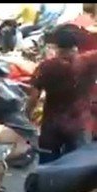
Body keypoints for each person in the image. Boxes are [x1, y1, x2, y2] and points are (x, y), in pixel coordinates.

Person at [26, 26, 97, 163]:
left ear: (57, 45)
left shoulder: (46, 66)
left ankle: (46, 183)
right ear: (76, 45)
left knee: (47, 164)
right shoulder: (89, 62)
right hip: (79, 125)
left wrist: (27, 116)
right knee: (77, 166)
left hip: (52, 125)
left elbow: (33, 97)